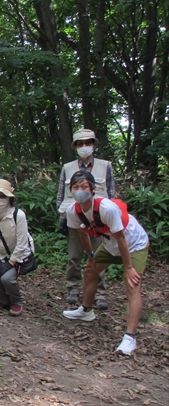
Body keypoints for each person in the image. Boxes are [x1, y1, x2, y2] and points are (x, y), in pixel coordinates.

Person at [62, 171, 148, 355]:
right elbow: (81, 233)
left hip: (133, 244)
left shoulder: (106, 208)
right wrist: (91, 257)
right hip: (110, 245)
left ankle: (129, 338)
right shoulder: (73, 210)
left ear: (93, 189)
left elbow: (122, 238)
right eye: (75, 187)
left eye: (84, 186)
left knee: (133, 284)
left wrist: (128, 268)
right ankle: (86, 310)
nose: (80, 190)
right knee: (90, 272)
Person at [57, 128, 116, 311]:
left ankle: (99, 294)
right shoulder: (67, 168)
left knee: (100, 256)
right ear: (75, 147)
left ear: (93, 145)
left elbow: (111, 193)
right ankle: (73, 290)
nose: (84, 146)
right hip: (74, 217)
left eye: (87, 143)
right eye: (80, 143)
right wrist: (62, 218)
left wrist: (112, 220)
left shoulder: (105, 166)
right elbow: (61, 195)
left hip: (100, 219)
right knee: (74, 256)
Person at [0, 180, 35, 316]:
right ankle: (2, 299)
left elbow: (22, 243)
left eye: (2, 196)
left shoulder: (18, 215)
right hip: (0, 252)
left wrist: (11, 263)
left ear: (9, 197)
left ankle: (18, 301)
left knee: (7, 278)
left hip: (20, 254)